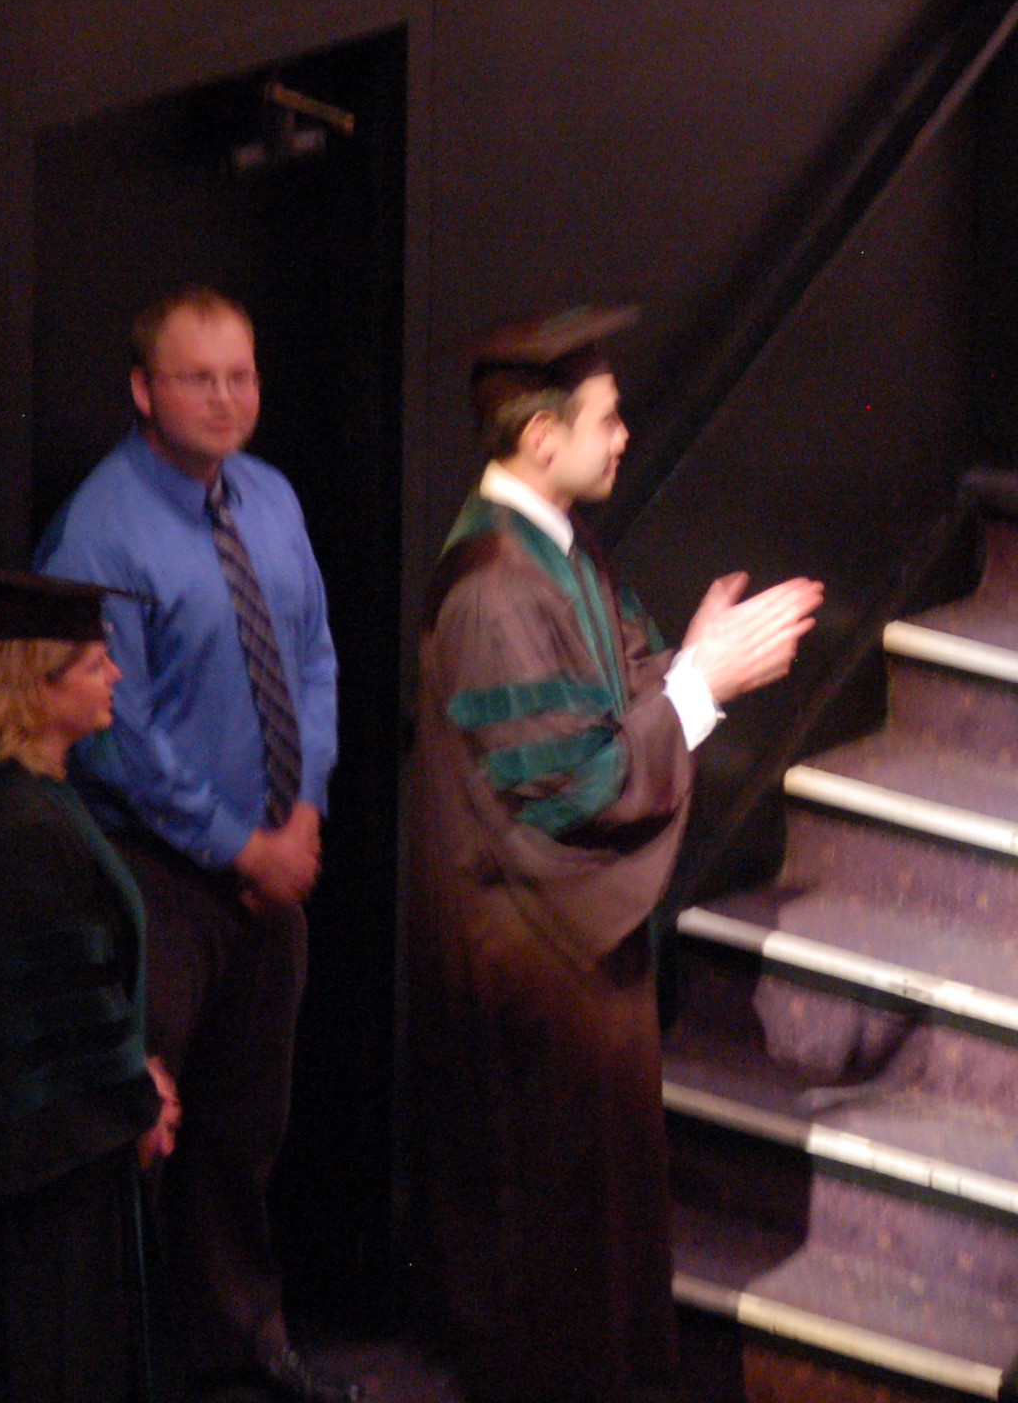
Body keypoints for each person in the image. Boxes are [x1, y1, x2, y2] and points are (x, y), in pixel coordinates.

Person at [404, 307, 823, 1403]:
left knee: (596, 1240)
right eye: (607, 418)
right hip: (528, 964)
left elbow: (628, 691)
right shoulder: (495, 587)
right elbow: (574, 786)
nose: (626, 434)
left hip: (575, 954)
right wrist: (703, 683)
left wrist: (697, 663)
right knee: (546, 1254)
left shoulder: (559, 551)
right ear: (542, 437)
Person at [35, 290, 352, 1403]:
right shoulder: (99, 529)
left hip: (275, 871)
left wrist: (303, 811)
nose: (225, 399)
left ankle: (241, 1353)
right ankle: (138, 1374)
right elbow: (113, 733)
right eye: (198, 378)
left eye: (240, 375)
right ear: (143, 390)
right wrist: (240, 847)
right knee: (147, 1142)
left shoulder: (270, 496)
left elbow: (314, 660)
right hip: (157, 880)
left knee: (242, 1131)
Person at [0, 570, 180, 1403]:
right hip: (51, 1191)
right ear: (39, 684)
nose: (117, 676)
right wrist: (133, 1098)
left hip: (70, 1163)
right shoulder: (15, 832)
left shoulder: (19, 799)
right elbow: (44, 1028)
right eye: (97, 663)